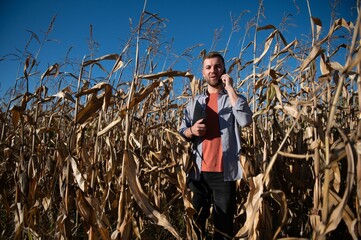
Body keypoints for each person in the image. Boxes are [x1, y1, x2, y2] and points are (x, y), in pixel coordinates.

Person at [179, 52, 253, 240]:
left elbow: (245, 121)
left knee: (223, 227)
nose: (213, 70)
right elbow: (181, 132)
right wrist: (191, 131)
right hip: (198, 174)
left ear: (224, 70)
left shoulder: (234, 98)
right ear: (203, 73)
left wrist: (230, 88)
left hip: (224, 174)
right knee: (197, 225)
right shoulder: (194, 103)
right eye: (208, 67)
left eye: (217, 66)